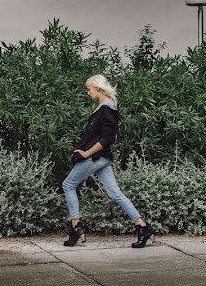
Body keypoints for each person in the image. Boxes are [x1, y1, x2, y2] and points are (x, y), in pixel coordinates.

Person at [61, 74, 155, 248]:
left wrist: (85, 153)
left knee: (68, 185)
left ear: (97, 88)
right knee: (115, 193)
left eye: (89, 89)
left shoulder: (106, 109)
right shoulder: (105, 107)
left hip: (95, 157)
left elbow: (106, 139)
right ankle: (143, 227)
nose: (88, 93)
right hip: (101, 159)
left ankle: (76, 228)